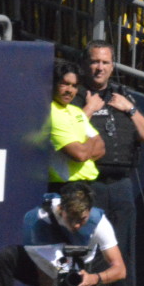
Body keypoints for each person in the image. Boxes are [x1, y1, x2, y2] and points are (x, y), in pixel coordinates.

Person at [74, 41, 144, 286]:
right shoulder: (75, 96)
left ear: (112, 66)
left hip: (120, 184)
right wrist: (88, 108)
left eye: (106, 63)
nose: (100, 67)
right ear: (86, 64)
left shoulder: (123, 97)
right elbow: (64, 133)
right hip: (88, 183)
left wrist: (130, 109)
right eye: (95, 62)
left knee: (124, 250)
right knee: (90, 251)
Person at [49, 60, 105, 195]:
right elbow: (80, 155)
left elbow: (101, 149)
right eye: (65, 84)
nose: (69, 90)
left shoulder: (76, 111)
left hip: (87, 186)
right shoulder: (49, 112)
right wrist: (91, 139)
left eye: (74, 86)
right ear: (53, 83)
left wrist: (86, 147)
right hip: (64, 188)